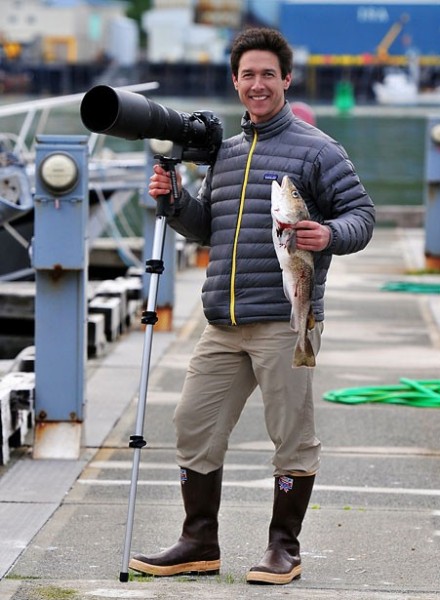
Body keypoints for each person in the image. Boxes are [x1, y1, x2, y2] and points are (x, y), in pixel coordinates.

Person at [129, 27, 375, 585]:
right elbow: (205, 229)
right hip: (223, 319)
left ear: (286, 79)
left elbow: (362, 218)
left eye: (268, 74)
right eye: (247, 75)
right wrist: (173, 200)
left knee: (291, 435)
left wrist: (327, 234)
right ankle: (198, 543)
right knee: (192, 424)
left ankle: (283, 548)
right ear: (235, 82)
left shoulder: (319, 149)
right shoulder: (227, 152)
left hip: (288, 318)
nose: (257, 84)